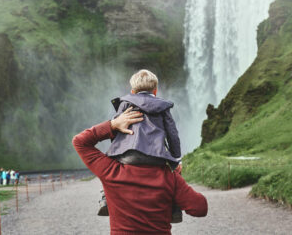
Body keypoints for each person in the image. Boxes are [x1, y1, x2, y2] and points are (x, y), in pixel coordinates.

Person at [72, 107, 208, 234]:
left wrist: (113, 125)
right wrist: (177, 179)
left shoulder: (111, 170)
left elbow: (80, 142)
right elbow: (200, 208)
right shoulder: (169, 177)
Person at [99, 69, 182, 222]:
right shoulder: (163, 107)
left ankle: (105, 200)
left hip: (128, 156)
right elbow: (172, 134)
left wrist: (117, 150)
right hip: (156, 156)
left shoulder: (125, 103)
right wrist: (176, 159)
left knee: (107, 168)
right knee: (175, 175)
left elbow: (117, 127)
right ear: (155, 91)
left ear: (132, 91)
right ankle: (175, 208)